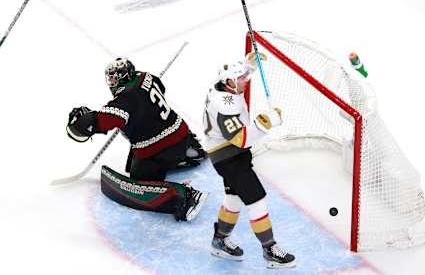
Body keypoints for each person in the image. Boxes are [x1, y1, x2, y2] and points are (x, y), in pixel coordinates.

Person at [66, 57, 207, 221]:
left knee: (138, 178)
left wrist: (83, 121)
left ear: (123, 77)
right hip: (181, 133)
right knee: (146, 138)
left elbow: (103, 120)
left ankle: (185, 197)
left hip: (160, 149)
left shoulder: (126, 99)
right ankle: (190, 149)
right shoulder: (145, 76)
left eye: (113, 78)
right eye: (109, 78)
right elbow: (160, 86)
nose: (110, 82)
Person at [202, 52, 296, 268]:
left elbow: (234, 78)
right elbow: (241, 139)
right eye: (242, 78)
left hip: (229, 154)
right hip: (229, 157)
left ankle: (219, 240)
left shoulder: (221, 86)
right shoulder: (225, 106)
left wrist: (248, 66)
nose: (246, 80)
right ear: (229, 83)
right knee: (257, 199)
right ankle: (270, 249)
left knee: (234, 199)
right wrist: (267, 121)